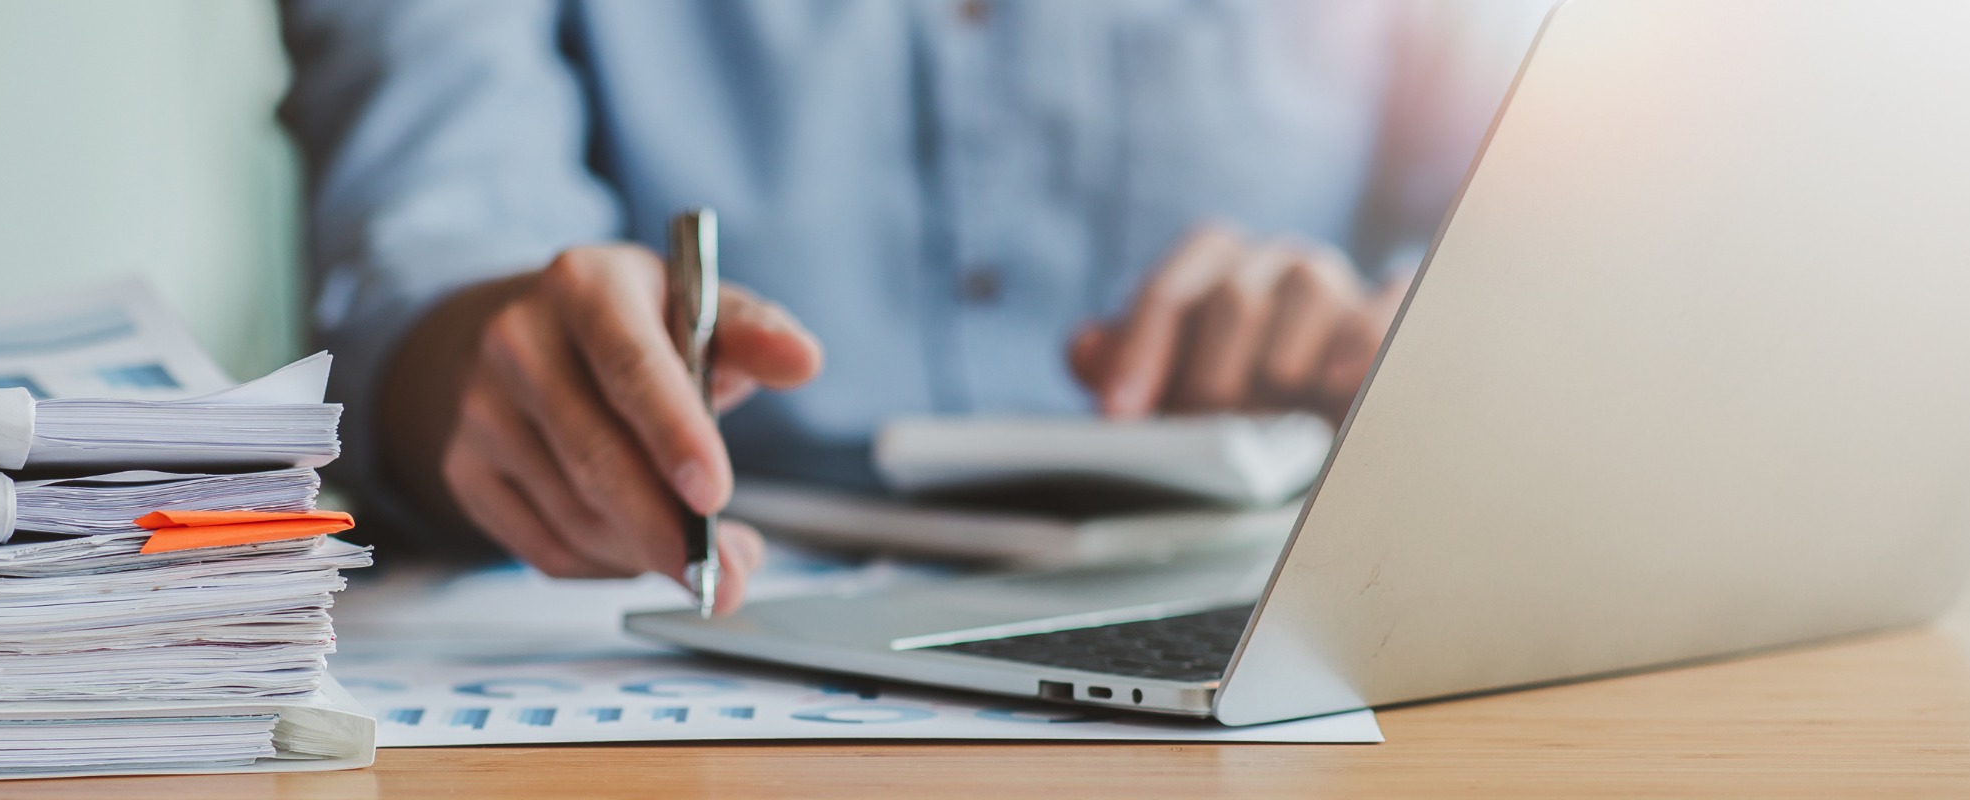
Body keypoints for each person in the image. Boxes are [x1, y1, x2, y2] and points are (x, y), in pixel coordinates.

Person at [281, 0, 1542, 613]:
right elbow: (424, 240)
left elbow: (1546, 223)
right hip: (662, 628)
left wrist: (1421, 337)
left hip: (1270, 609)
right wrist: (485, 357)